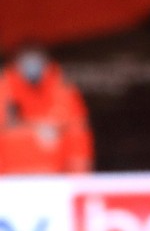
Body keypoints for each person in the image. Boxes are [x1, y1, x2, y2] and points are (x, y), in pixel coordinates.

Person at [0, 44, 94, 174]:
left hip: (54, 179)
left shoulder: (63, 91)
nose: (32, 65)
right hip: (10, 181)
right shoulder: (4, 91)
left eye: (36, 59)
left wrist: (79, 175)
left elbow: (77, 136)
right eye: (26, 59)